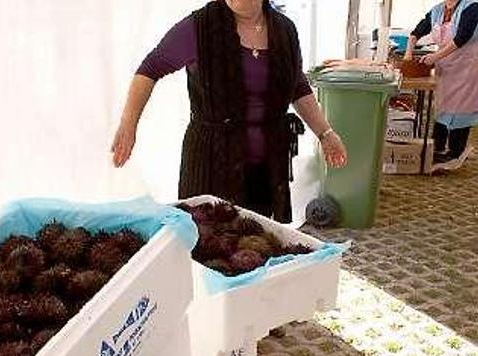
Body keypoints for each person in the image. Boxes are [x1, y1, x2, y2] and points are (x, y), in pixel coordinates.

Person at [111, 0, 347, 222]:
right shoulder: (199, 28)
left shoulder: (284, 30)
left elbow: (297, 86)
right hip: (211, 164)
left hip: (265, 168)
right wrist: (128, 124)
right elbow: (150, 68)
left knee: (255, 242)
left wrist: (325, 134)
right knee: (209, 244)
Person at [406, 0, 478, 163]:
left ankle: (455, 151)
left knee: (462, 107)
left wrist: (435, 57)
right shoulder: (437, 10)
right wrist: (409, 51)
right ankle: (436, 146)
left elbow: (461, 38)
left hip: (468, 64)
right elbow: (418, 31)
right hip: (447, 64)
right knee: (443, 103)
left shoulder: (472, 7)